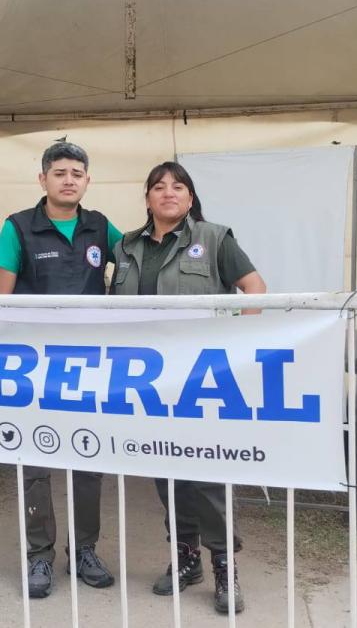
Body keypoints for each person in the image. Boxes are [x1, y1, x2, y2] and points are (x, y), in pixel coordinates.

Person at [110, 161, 267, 614]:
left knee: (207, 474)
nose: (168, 193)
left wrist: (234, 347)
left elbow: (256, 290)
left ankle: (224, 567)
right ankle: (185, 559)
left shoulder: (215, 238)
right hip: (148, 381)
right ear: (147, 198)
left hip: (201, 380)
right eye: (158, 186)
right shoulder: (126, 246)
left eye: (178, 186)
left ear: (190, 197)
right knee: (166, 470)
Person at [0, 140, 125, 599]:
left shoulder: (100, 226)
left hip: (89, 364)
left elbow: (139, 262)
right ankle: (39, 556)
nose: (69, 180)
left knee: (88, 458)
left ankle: (85, 550)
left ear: (87, 181)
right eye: (60, 172)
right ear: (43, 178)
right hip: (33, 365)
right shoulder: (17, 227)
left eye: (77, 173)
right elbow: (0, 300)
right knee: (36, 461)